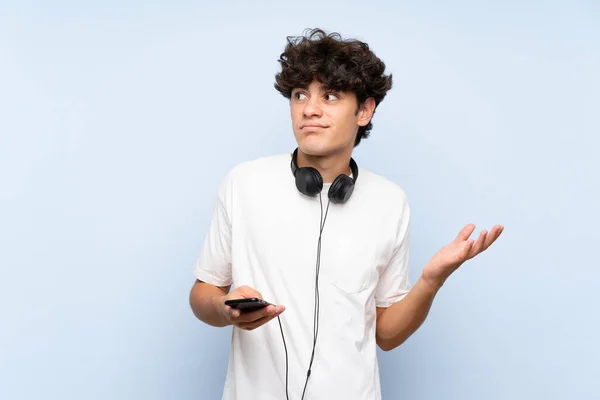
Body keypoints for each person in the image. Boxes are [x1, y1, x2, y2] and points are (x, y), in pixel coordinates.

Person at [189, 28, 503, 400]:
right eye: (299, 95)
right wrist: (223, 309)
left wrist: (430, 281)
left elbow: (386, 334)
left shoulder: (390, 201)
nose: (309, 108)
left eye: (331, 96)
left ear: (364, 111)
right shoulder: (243, 183)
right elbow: (203, 292)